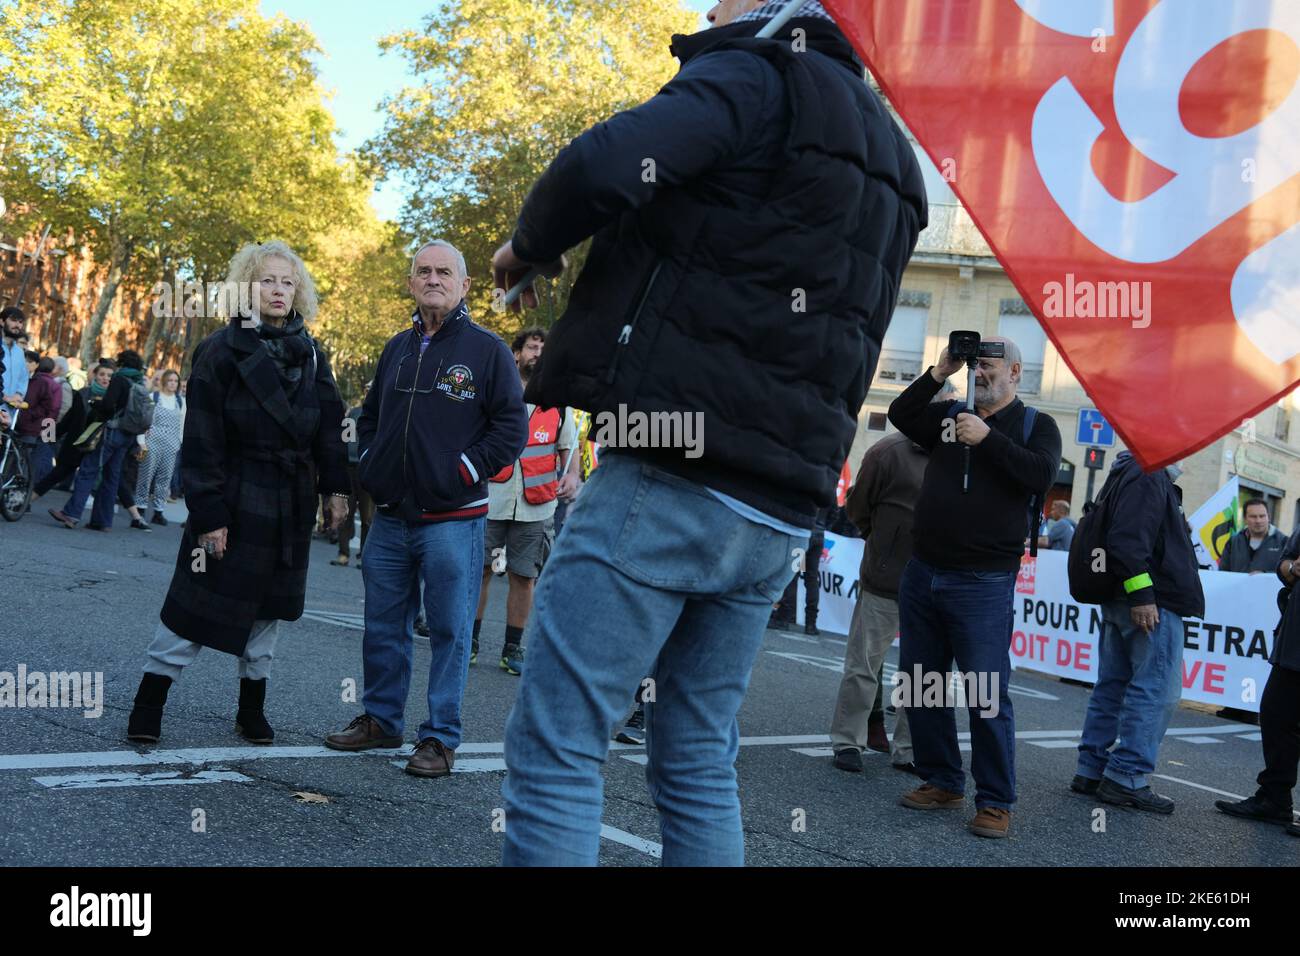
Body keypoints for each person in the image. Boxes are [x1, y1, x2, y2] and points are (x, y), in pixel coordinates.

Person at [489, 0, 926, 865]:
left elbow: (606, 162)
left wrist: (527, 245)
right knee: (695, 757)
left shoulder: (758, 76)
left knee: (560, 746)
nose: (704, 9)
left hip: (670, 470)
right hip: (777, 506)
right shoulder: (898, 159)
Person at [125, 240, 351, 744]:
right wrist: (208, 515)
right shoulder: (221, 349)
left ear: (299, 292)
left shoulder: (314, 353)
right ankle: (148, 704)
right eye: (267, 280)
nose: (277, 289)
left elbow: (331, 426)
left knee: (268, 613)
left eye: (287, 282)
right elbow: (201, 437)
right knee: (194, 605)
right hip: (233, 497)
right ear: (247, 287)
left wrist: (336, 487)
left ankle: (251, 709)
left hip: (288, 503)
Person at [323, 240, 527, 779]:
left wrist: (461, 470)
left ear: (464, 286)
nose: (432, 278)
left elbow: (511, 429)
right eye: (423, 271)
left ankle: (439, 738)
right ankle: (382, 719)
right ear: (412, 283)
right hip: (390, 517)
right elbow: (369, 419)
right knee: (383, 624)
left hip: (453, 521)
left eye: (444, 272)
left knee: (450, 630)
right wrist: (369, 461)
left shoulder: (488, 351)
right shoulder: (396, 348)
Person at [887, 338, 1061, 839]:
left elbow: (1041, 475)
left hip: (983, 580)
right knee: (922, 684)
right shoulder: (949, 413)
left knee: (985, 693)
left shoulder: (1036, 426)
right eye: (974, 366)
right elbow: (901, 413)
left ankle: (995, 801)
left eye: (987, 366)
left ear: (1015, 372)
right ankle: (941, 779)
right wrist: (940, 371)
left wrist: (988, 438)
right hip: (924, 571)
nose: (979, 373)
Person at [829, 385, 956, 775]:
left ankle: (909, 749)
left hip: (937, 581)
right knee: (864, 665)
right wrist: (883, 545)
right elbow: (858, 507)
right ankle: (847, 741)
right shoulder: (887, 453)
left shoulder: (959, 455)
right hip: (887, 578)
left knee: (924, 672)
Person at [1071, 451, 1204, 813]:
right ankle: (1126, 776)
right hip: (1149, 603)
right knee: (1156, 689)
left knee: (1113, 683)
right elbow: (1128, 541)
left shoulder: (1129, 471)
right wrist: (1143, 595)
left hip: (1122, 598)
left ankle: (1093, 767)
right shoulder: (1149, 473)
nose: (1190, 454)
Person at [474, 326, 578, 673]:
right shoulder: (496, 389)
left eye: (543, 350)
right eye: (532, 348)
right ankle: (469, 642)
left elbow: (569, 446)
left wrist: (574, 476)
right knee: (480, 570)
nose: (537, 355)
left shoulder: (558, 399)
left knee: (524, 576)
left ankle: (512, 649)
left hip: (537, 503)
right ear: (517, 353)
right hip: (491, 496)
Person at [1215, 529, 1300, 837]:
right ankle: (1275, 800)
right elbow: (1285, 563)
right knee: (1276, 714)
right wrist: (1292, 569)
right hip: (1293, 638)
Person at [48, 350, 149, 532]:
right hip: (128, 436)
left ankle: (71, 514)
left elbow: (109, 404)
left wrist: (97, 406)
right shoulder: (140, 382)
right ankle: (102, 521)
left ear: (121, 363)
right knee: (111, 477)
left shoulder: (119, 379)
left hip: (111, 432)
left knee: (88, 470)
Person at [33, 362, 111, 503]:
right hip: (76, 442)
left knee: (111, 480)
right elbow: (69, 418)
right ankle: (25, 501)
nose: (105, 378)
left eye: (109, 375)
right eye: (102, 374)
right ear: (95, 376)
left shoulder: (113, 399)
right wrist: (50, 435)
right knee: (57, 474)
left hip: (99, 445)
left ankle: (136, 516)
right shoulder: (83, 393)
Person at [134, 369, 185, 526]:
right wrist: (141, 441)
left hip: (171, 444)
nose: (173, 384)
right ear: (163, 381)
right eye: (170, 380)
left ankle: (158, 511)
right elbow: (143, 422)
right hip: (152, 441)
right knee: (146, 475)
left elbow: (182, 425)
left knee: (165, 478)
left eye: (175, 381)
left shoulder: (181, 401)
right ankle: (140, 508)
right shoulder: (154, 397)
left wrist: (179, 442)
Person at [331, 381, 374, 568]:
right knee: (345, 513)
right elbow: (344, 441)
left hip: (369, 469)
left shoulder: (382, 415)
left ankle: (364, 556)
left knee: (368, 517)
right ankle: (343, 553)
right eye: (367, 390)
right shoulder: (354, 414)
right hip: (349, 467)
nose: (369, 393)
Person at [769, 506, 829, 635]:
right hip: (819, 535)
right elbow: (833, 512)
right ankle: (811, 623)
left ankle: (783, 618)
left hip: (804, 532)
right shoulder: (829, 487)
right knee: (811, 579)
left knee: (793, 575)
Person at [15, 356, 62, 486]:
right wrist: (50, 425)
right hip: (49, 422)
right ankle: (38, 480)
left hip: (31, 421)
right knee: (44, 453)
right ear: (52, 369)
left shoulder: (34, 381)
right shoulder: (55, 385)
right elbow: (55, 407)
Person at [1218, 498, 1287, 574]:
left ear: (1268, 517)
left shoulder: (1284, 542)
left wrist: (1265, 575)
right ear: (1245, 519)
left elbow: (1289, 574)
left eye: (1262, 516)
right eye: (1253, 516)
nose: (1258, 521)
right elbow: (1223, 572)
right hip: (1238, 586)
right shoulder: (1233, 542)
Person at [1, 307, 28, 423]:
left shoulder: (20, 352)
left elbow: (23, 378)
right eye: (13, 320)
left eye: (20, 322)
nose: (17, 325)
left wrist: (19, 394)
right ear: (1, 321)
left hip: (10, 413)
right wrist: (4, 397)